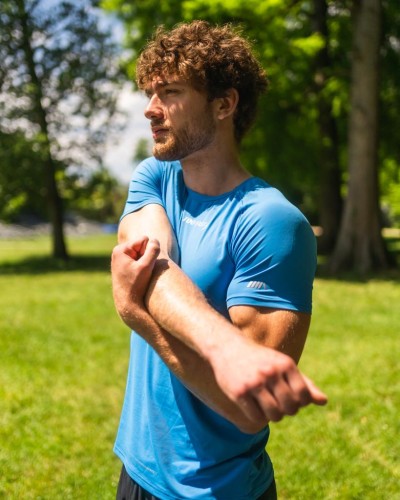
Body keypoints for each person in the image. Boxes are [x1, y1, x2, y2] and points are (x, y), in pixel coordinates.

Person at [111, 20, 327, 500]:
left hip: (216, 490)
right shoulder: (156, 177)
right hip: (139, 466)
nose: (150, 109)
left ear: (224, 104)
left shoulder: (272, 222)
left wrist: (138, 317)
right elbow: (151, 261)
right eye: (150, 92)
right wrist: (224, 347)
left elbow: (248, 408)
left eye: (170, 92)